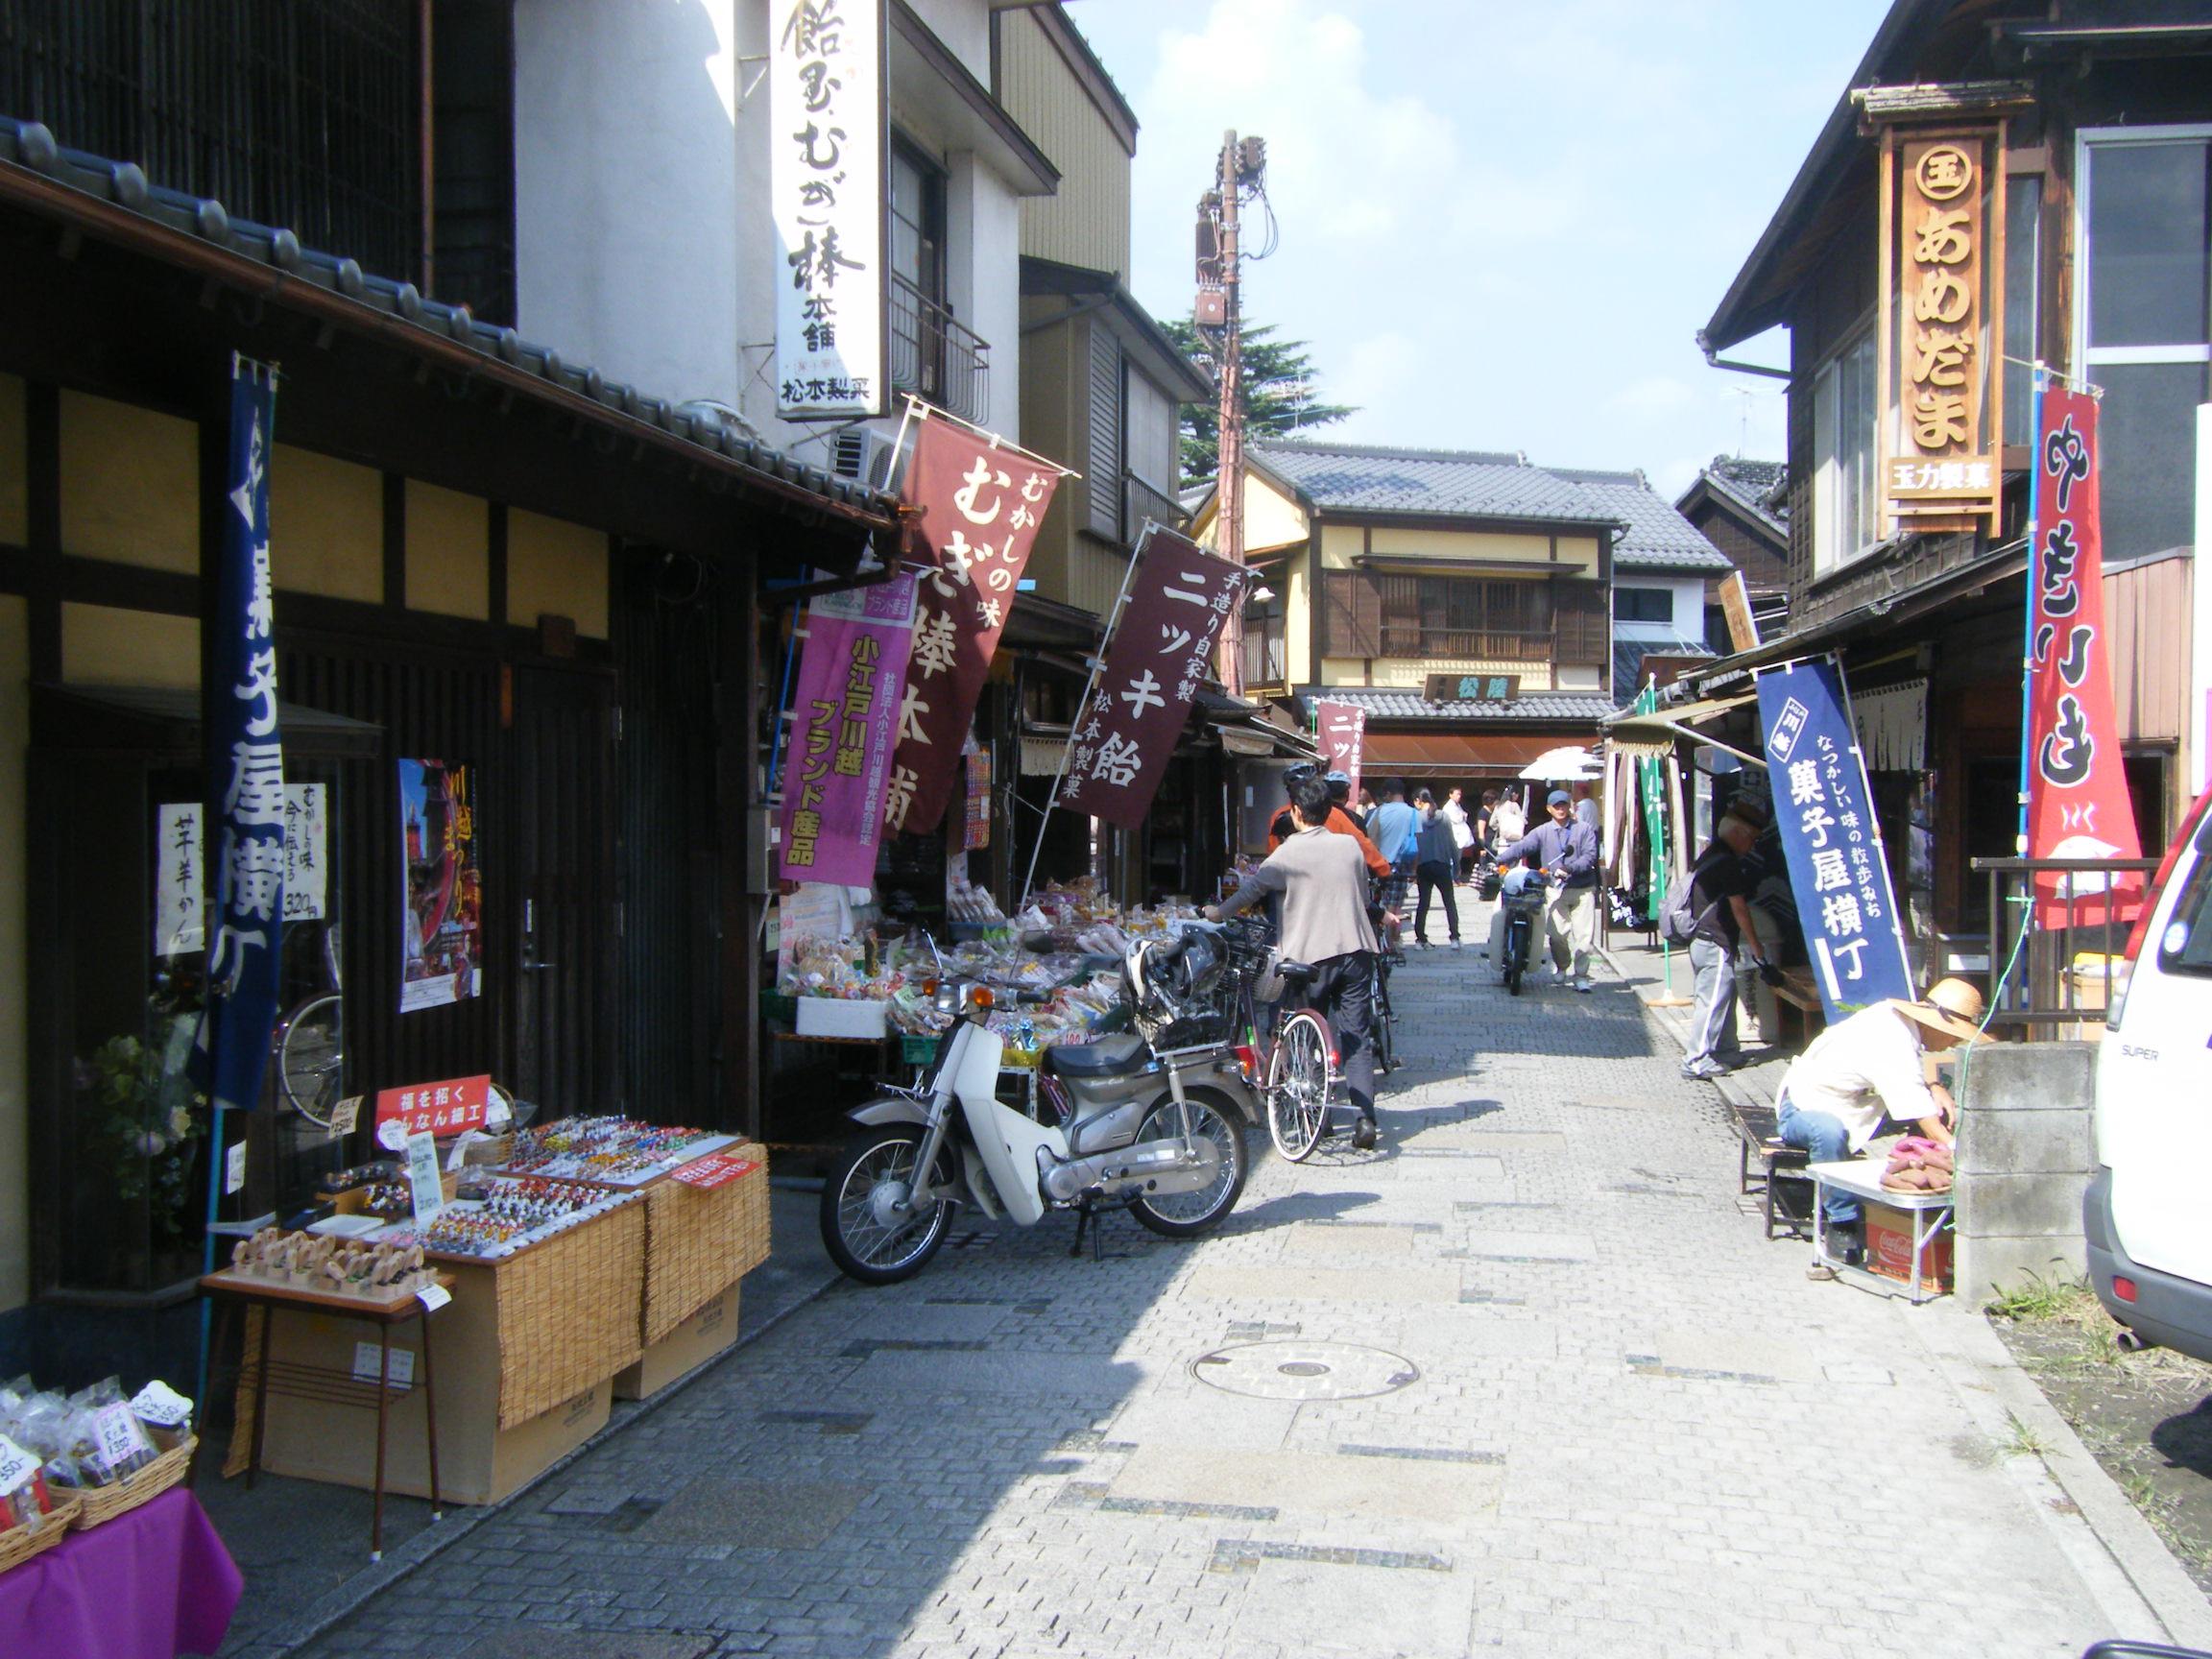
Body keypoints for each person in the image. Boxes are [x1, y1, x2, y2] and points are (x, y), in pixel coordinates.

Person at [1208, 774, 1387, 1150]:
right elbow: (1358, 890)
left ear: (1296, 812)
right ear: (1329, 809)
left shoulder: (1287, 853)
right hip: (1356, 950)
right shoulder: (1349, 846)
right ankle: (1365, 1117)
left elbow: (1251, 891)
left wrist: (1217, 914)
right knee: (1355, 1035)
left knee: (1305, 1034)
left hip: (1310, 957)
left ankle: (1316, 1115)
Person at [1776, 978, 1989, 1273]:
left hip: (1853, 1104)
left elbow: (1914, 1072)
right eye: (1953, 1035)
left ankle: (1923, 1206)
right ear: (1938, 1025)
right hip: (1804, 1105)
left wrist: (1935, 1086)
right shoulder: (1891, 1035)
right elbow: (1920, 1110)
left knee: (1930, 1115)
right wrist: (1957, 1150)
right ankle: (1842, 1221)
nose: (1953, 1043)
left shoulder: (1902, 1026)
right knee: (1828, 1132)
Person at [1680, 796, 1782, 1079]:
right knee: (1712, 1002)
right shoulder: (1727, 863)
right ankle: (1695, 1060)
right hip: (1713, 942)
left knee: (1724, 997)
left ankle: (1727, 1052)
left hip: (1706, 941)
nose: (1752, 845)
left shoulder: (1712, 855)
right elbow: (1739, 908)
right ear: (1738, 833)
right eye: (1751, 839)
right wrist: (1756, 947)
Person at [1491, 788, 1600, 988]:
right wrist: (1500, 859)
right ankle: (1562, 966)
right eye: (1556, 806)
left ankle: (1581, 976)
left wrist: (1570, 868)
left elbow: (1590, 856)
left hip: (1582, 888)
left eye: (1564, 805)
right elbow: (1524, 846)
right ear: (1549, 809)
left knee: (1584, 938)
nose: (1560, 809)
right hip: (1554, 889)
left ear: (1570, 806)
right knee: (1557, 935)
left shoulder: (1583, 829)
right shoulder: (1543, 831)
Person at [1267, 764, 1390, 878]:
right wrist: (1383, 870)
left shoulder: (1279, 815)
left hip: (1289, 882)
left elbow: (1273, 852)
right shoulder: (1334, 814)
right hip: (1331, 880)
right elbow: (1362, 844)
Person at [1366, 781, 1419, 949]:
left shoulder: (1379, 811)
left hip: (1380, 863)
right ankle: (1394, 942)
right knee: (1396, 906)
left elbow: (1369, 836)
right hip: (1402, 865)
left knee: (1381, 904)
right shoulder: (1413, 813)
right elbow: (1417, 842)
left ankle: (1383, 943)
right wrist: (1415, 870)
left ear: (1388, 794)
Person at [1410, 789, 1461, 950]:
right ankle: (1454, 937)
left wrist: (1411, 867)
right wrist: (1457, 865)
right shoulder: (1444, 816)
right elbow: (1452, 842)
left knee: (1423, 903)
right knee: (1449, 902)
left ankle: (1420, 939)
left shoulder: (1416, 818)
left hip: (1423, 864)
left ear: (1418, 801)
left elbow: (1412, 843)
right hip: (1442, 863)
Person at [1441, 785, 1476, 880]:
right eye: (1457, 794)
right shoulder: (1449, 807)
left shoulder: (1457, 805)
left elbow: (1464, 815)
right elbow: (1457, 819)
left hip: (1460, 835)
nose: (1459, 796)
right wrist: (1463, 815)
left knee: (1457, 857)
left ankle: (1456, 877)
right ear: (1451, 795)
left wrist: (1463, 815)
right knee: (1452, 858)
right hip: (1454, 834)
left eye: (1460, 794)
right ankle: (1451, 878)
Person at [1489, 787, 1526, 853]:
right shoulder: (1514, 805)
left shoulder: (1498, 806)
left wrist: (1500, 826)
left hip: (1502, 841)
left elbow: (1491, 823)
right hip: (1514, 840)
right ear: (1514, 794)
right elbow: (1522, 820)